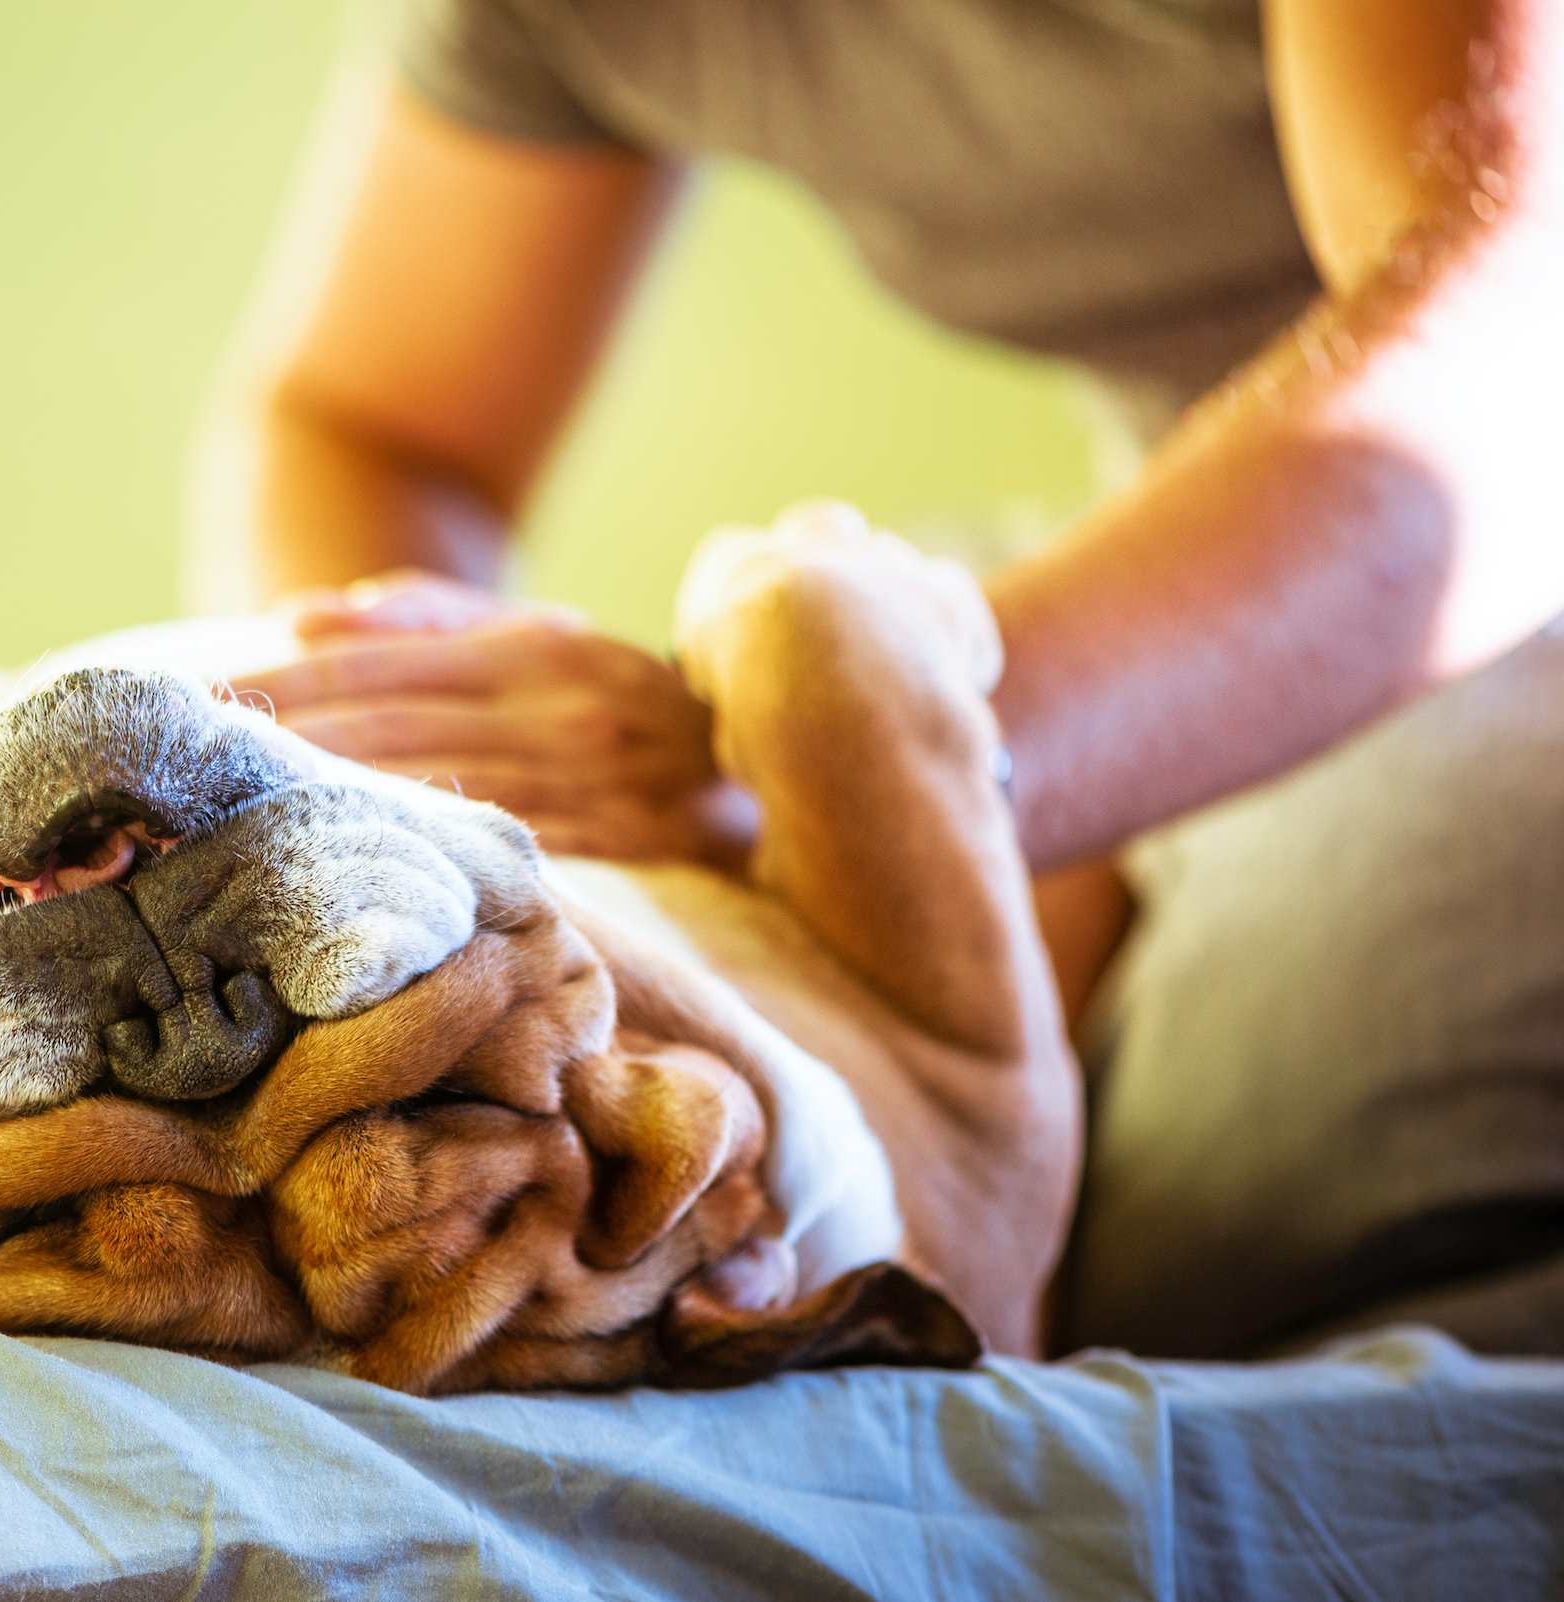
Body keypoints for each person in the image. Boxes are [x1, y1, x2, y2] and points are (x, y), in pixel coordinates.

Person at [194, 0, 1564, 1356]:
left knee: (1222, 1240)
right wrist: (433, 814)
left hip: (1482, 563)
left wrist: (857, 769)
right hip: (1124, 572)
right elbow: (375, 425)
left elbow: (1518, 357)